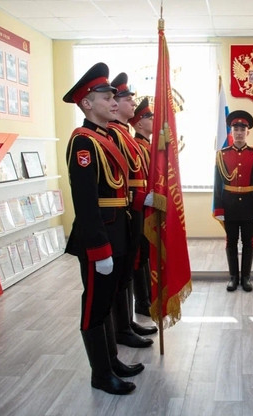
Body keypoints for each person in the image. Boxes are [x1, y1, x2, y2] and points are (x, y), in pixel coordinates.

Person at [63, 62, 144, 395]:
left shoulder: (106, 136)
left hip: (118, 230)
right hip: (100, 237)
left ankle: (112, 361)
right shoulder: (83, 142)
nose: (114, 101)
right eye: (106, 97)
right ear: (87, 103)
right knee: (95, 306)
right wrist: (99, 249)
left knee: (110, 300)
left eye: (114, 96)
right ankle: (101, 374)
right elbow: (85, 202)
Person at [107, 73, 157, 348]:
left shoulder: (124, 135)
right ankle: (123, 326)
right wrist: (141, 200)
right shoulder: (115, 135)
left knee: (131, 264)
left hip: (134, 207)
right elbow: (119, 182)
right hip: (126, 210)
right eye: (128, 99)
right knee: (128, 265)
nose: (132, 103)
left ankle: (127, 322)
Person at [213, 110, 253, 292]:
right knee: (231, 241)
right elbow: (217, 184)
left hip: (249, 205)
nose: (239, 133)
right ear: (231, 131)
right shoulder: (222, 155)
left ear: (247, 132)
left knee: (248, 242)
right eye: (235, 129)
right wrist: (218, 208)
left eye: (242, 130)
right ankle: (233, 277)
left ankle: (246, 277)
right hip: (229, 205)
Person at [128, 97, 154, 316]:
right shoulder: (137, 146)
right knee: (139, 254)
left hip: (148, 204)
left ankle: (149, 296)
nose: (153, 120)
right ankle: (142, 301)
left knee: (145, 253)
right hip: (139, 207)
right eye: (149, 117)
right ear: (138, 123)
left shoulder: (147, 146)